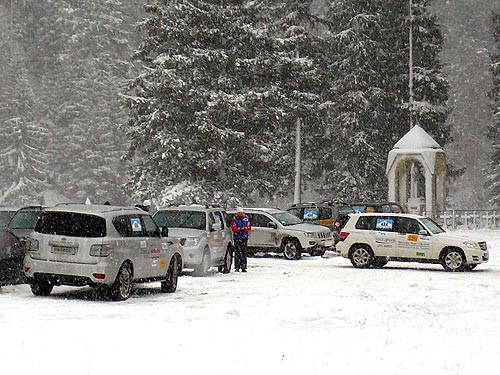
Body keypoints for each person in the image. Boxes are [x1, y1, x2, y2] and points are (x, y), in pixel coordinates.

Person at [231, 207, 251, 272]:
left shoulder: (246, 219)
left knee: (244, 252)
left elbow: (249, 227)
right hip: (237, 238)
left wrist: (244, 229)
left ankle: (243, 266)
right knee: (237, 253)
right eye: (239, 212)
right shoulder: (234, 219)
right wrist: (240, 230)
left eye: (241, 212)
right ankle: (237, 267)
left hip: (244, 238)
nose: (240, 214)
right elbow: (234, 228)